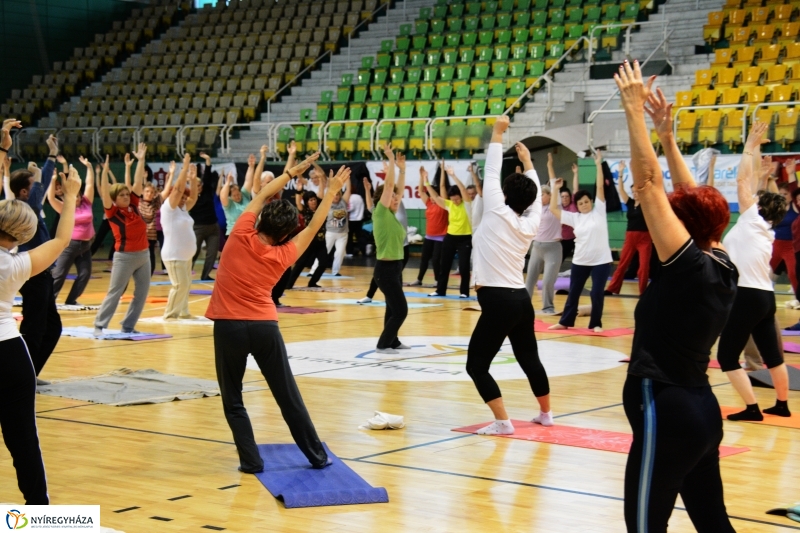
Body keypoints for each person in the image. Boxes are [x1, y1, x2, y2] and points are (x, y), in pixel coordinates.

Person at [618, 60, 737, 533]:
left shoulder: (685, 265)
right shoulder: (723, 260)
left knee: (645, 527)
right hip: (702, 413)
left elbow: (647, 186)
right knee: (714, 525)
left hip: (665, 407)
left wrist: (632, 111)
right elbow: (694, 199)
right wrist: (667, 136)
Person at [206, 152, 347, 472]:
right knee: (288, 396)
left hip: (229, 326)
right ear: (285, 233)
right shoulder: (287, 251)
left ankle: (251, 462)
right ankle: (317, 456)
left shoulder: (241, 231)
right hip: (264, 326)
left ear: (260, 220)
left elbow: (262, 195)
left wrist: (289, 173)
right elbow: (314, 224)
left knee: (233, 399)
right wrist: (331, 191)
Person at [0, 120, 81, 504]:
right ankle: (40, 513)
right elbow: (64, 238)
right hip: (11, 357)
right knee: (23, 444)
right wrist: (74, 196)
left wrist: (4, 148)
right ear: (21, 235)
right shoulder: (18, 265)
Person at [468, 116, 553, 435]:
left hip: (499, 301)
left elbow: (491, 170)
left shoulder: (495, 210)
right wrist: (528, 162)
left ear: (503, 195)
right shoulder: (531, 222)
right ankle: (546, 413)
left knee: (476, 365)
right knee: (529, 358)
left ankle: (503, 422)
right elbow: (532, 197)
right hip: (520, 300)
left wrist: (497, 133)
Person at [717, 122, 791, 421]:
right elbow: (755, 184)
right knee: (772, 356)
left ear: (758, 207)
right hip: (765, 297)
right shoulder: (765, 228)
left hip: (747, 296)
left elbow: (741, 180)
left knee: (725, 357)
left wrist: (749, 143)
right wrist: (759, 160)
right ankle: (782, 405)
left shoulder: (751, 219)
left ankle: (751, 408)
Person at [9, 133, 61, 378]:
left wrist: (49, 159)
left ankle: (31, 375)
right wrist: (48, 161)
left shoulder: (32, 207)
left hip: (44, 275)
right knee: (35, 328)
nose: (38, 188)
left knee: (52, 328)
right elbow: (40, 189)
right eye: (33, 186)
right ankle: (21, 377)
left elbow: (42, 185)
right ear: (22, 192)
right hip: (33, 276)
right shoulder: (24, 208)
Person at [548, 150, 612, 332]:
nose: (584, 205)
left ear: (591, 201)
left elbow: (600, 187)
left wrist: (598, 163)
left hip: (601, 261)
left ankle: (596, 323)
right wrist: (555, 189)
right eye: (581, 203)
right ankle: (565, 322)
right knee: (573, 293)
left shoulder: (599, 211)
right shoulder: (574, 218)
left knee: (597, 292)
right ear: (578, 205)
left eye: (586, 201)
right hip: (581, 261)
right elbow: (553, 208)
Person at [93, 145, 151, 336]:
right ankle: (100, 325)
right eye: (122, 195)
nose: (126, 197)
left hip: (144, 255)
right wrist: (103, 173)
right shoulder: (112, 212)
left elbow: (137, 183)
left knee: (141, 294)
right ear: (115, 199)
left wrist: (141, 160)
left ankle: (128, 325)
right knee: (115, 292)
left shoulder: (134, 206)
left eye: (127, 194)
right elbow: (104, 191)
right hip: (124, 257)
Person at [372, 144, 409, 354]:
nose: (396, 199)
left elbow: (397, 190)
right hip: (385, 270)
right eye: (393, 198)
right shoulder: (381, 213)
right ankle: (383, 344)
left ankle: (393, 341)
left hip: (395, 268)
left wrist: (403, 170)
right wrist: (391, 161)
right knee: (401, 310)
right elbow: (389, 189)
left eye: (397, 198)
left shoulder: (392, 216)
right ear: (383, 201)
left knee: (391, 307)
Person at [48, 155, 95, 305]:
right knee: (59, 274)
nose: (78, 198)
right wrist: (53, 179)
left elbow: (89, 184)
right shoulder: (65, 207)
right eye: (75, 197)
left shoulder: (86, 203)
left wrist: (89, 167)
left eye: (79, 196)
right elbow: (51, 199)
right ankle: (49, 300)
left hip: (85, 246)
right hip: (69, 245)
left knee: (85, 274)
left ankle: (71, 300)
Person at [606, 160, 652, 295]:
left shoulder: (647, 203)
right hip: (630, 236)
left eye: (637, 191)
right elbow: (620, 189)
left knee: (643, 267)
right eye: (633, 192)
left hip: (645, 237)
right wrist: (620, 173)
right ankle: (612, 289)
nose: (635, 193)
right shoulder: (630, 202)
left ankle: (643, 292)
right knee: (622, 264)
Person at [161, 153, 199, 319]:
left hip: (185, 256)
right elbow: (177, 189)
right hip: (173, 254)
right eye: (181, 196)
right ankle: (170, 314)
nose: (183, 199)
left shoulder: (183, 209)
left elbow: (194, 197)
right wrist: (184, 169)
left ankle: (183, 312)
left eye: (185, 197)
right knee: (180, 285)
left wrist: (194, 179)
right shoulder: (169, 209)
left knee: (186, 285)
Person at [525, 153, 563, 315]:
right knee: (529, 280)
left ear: (549, 195)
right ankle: (524, 308)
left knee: (548, 281)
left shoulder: (556, 207)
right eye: (539, 194)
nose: (540, 196)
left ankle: (548, 306)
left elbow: (554, 185)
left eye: (543, 194)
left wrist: (549, 166)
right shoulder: (535, 209)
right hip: (536, 247)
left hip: (552, 247)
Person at [427, 165, 473, 298]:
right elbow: (435, 197)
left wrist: (453, 175)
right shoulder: (449, 204)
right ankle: (440, 290)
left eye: (457, 199)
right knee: (444, 265)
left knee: (464, 267)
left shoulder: (467, 204)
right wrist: (426, 181)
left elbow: (463, 189)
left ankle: (464, 292)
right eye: (453, 199)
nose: (456, 201)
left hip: (465, 238)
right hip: (450, 237)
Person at [286, 172, 328, 289]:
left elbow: (321, 195)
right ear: (307, 202)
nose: (313, 201)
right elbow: (298, 203)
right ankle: (289, 284)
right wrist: (299, 190)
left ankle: (312, 282)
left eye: (314, 199)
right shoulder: (305, 210)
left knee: (324, 263)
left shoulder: (320, 209)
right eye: (310, 200)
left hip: (321, 241)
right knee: (301, 263)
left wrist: (320, 180)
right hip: (308, 242)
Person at [410, 166, 448, 286]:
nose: (431, 198)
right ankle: (419, 279)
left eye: (432, 195)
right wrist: (421, 177)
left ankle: (437, 280)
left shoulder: (443, 205)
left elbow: (441, 191)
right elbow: (421, 191)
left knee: (436, 260)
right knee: (424, 259)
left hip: (441, 236)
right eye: (430, 196)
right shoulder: (429, 204)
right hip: (429, 236)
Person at [136, 156, 173, 275]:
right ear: (143, 192)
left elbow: (166, 192)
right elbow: (136, 186)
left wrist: (171, 175)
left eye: (152, 192)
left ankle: (148, 278)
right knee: (138, 261)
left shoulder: (155, 203)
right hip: (138, 237)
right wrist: (142, 177)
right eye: (147, 191)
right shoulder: (137, 201)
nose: (149, 194)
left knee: (150, 259)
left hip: (150, 237)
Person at [191, 152, 220, 281]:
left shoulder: (207, 191)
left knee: (212, 253)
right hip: (198, 228)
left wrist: (208, 161)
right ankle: (186, 273)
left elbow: (207, 176)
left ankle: (205, 275)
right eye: (195, 186)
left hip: (213, 227)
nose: (199, 187)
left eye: (199, 185)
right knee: (194, 252)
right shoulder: (190, 198)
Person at [323, 173, 352, 276]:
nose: (336, 196)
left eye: (338, 194)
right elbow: (326, 190)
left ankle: (335, 271)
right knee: (324, 252)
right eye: (334, 194)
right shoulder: (327, 203)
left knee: (339, 253)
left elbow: (348, 190)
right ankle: (314, 270)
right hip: (331, 232)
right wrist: (330, 183)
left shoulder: (343, 202)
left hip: (343, 234)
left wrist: (347, 178)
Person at [220, 153, 255, 235]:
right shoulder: (228, 204)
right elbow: (222, 195)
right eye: (234, 196)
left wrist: (251, 166)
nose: (237, 197)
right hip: (234, 234)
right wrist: (228, 182)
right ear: (230, 197)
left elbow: (248, 181)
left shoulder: (244, 195)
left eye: (238, 194)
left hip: (249, 232)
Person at [558, 165, 580, 260]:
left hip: (576, 238)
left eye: (567, 196)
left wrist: (575, 173)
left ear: (570, 197)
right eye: (562, 196)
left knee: (579, 259)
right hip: (563, 239)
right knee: (559, 259)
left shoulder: (573, 204)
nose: (565, 198)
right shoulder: (558, 207)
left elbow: (575, 190)